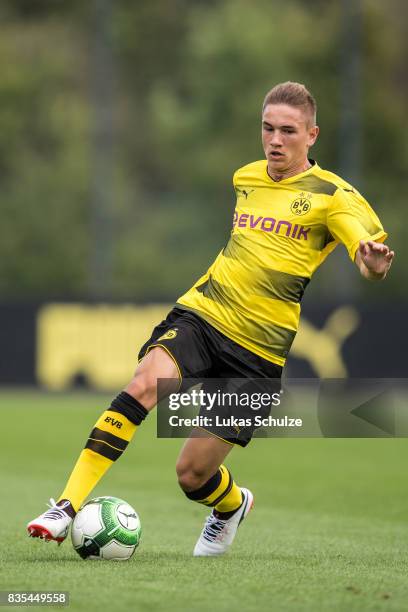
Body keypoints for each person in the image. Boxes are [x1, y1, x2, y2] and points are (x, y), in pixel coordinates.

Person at [27, 81, 394, 556]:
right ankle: (65, 507)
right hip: (204, 313)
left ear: (312, 135)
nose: (275, 140)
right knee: (143, 383)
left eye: (288, 131)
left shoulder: (333, 196)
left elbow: (367, 258)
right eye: (267, 129)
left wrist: (374, 264)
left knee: (192, 475)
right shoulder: (246, 177)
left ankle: (233, 505)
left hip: (258, 352)